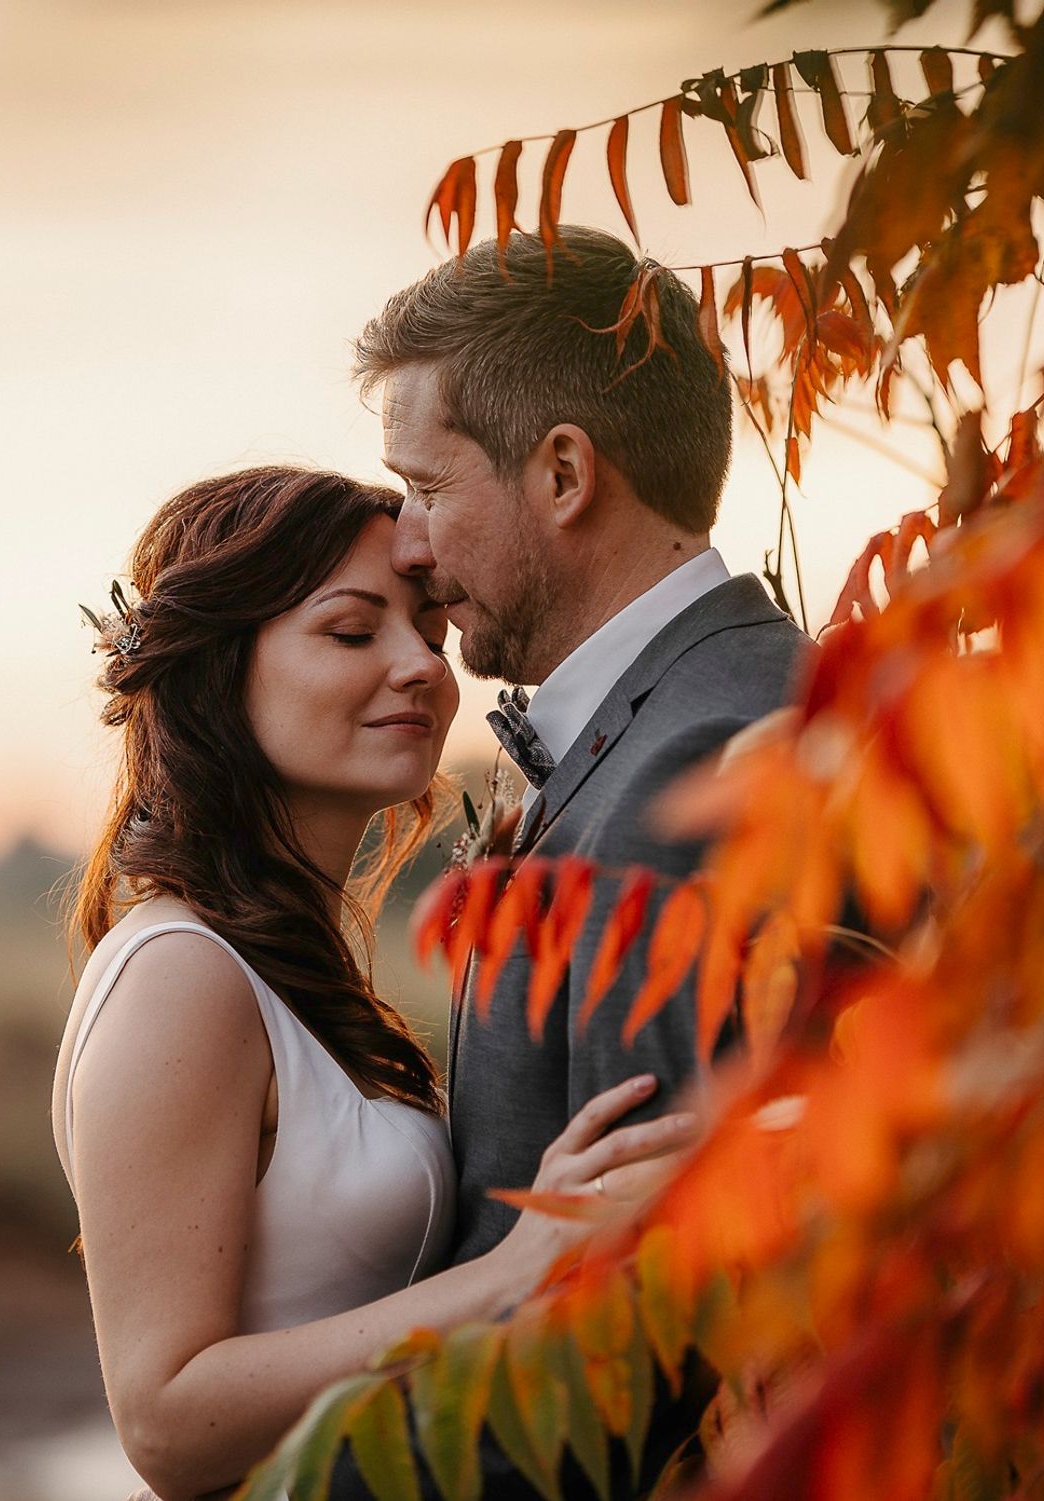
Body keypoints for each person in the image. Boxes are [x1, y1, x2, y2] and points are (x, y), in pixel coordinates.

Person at [51, 465, 699, 1501]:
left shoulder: (291, 971)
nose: (420, 670)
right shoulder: (181, 977)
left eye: (432, 634)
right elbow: (165, 1421)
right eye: (353, 633)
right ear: (218, 672)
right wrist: (516, 1269)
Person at [334, 226, 814, 1498]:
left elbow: (640, 1362)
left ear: (561, 473)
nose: (410, 548)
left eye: (426, 489)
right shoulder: (715, 703)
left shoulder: (691, 770)